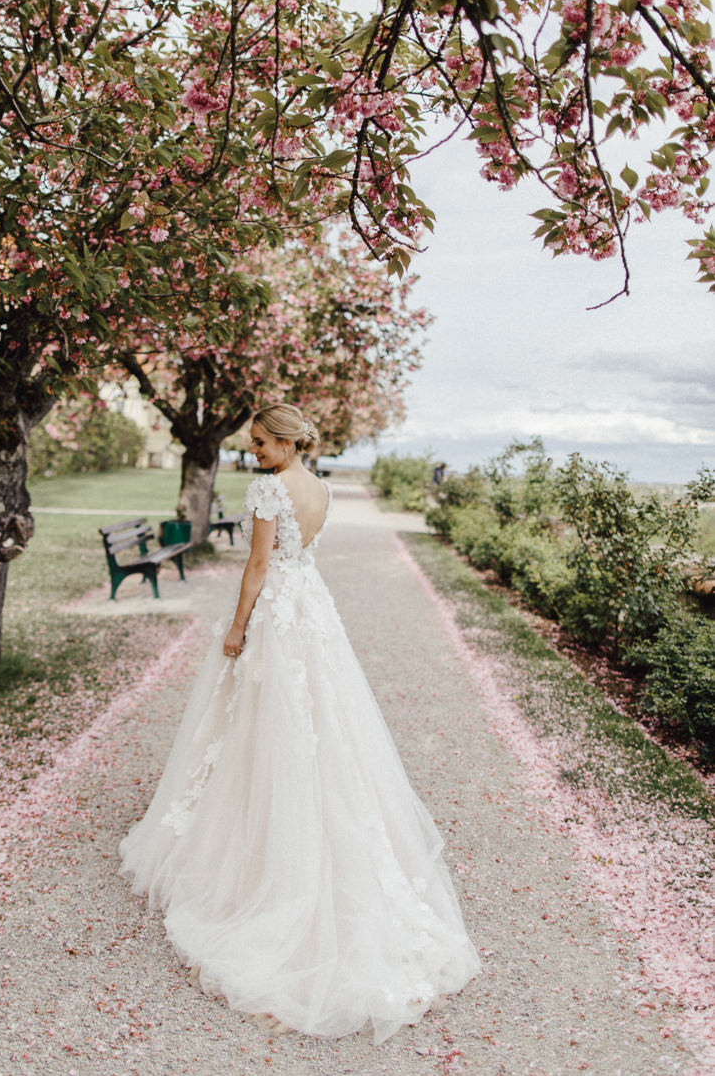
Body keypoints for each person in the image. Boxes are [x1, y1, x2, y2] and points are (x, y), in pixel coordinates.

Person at [118, 402, 480, 1044]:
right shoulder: (322, 488)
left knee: (267, 719)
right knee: (320, 719)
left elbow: (258, 567)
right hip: (311, 608)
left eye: (261, 443)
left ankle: (263, 847)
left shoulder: (269, 488)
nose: (253, 452)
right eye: (253, 444)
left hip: (279, 612)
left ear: (286, 442)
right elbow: (301, 552)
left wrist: (235, 628)